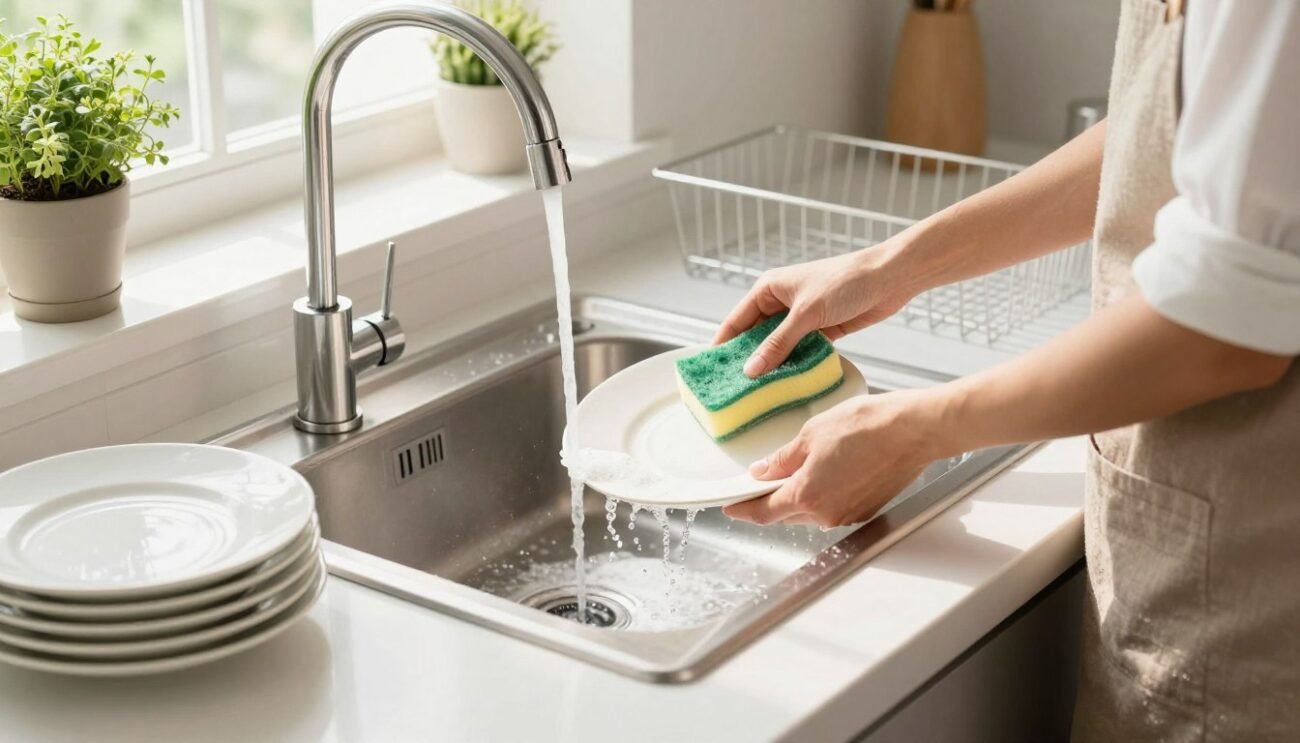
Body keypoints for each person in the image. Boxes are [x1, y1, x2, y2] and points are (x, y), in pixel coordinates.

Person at [719, 0, 1299, 739]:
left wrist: (920, 429)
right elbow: (1175, 135)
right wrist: (892, 264)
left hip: (1256, 596)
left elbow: (1225, 324)